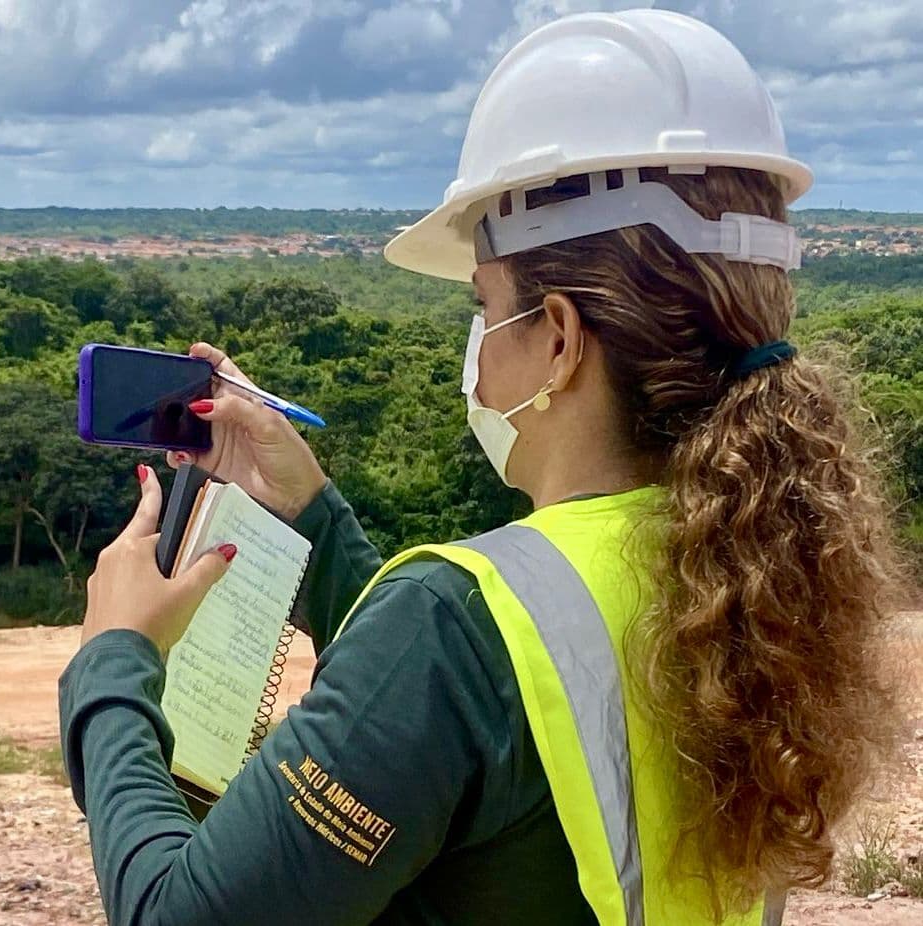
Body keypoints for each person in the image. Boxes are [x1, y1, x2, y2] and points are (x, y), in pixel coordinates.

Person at [59, 10, 901, 925]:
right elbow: (492, 717)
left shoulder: (453, 624)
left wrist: (115, 659)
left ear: (559, 339)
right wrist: (314, 516)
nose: (475, 347)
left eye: (484, 305)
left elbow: (171, 914)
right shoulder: (745, 556)